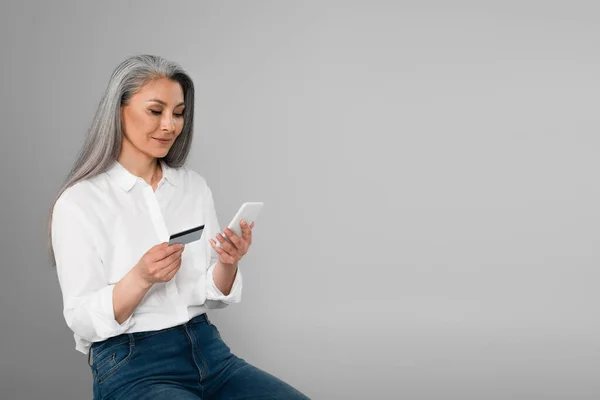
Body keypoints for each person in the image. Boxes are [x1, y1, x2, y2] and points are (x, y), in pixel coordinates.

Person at [48, 54, 308, 400]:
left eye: (179, 113)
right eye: (156, 111)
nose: (170, 125)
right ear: (118, 111)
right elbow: (81, 319)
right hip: (132, 365)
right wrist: (140, 278)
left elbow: (209, 292)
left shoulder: (192, 187)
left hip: (209, 352)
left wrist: (228, 263)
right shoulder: (79, 202)